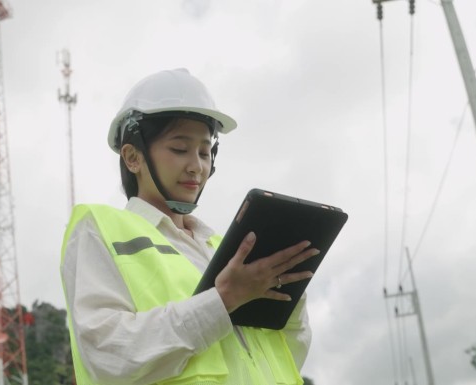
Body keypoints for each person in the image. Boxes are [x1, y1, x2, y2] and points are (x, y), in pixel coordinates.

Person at [60, 68, 319, 385]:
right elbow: (107, 356)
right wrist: (222, 300)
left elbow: (286, 357)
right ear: (132, 157)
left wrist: (289, 293)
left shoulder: (224, 250)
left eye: (204, 151)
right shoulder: (100, 229)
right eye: (180, 149)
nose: (196, 166)